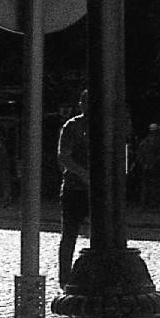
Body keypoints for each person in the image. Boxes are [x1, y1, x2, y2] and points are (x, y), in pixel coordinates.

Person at [56, 90, 90, 287]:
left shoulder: (107, 126)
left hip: (97, 191)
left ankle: (97, 275)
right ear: (81, 105)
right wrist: (82, 173)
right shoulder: (73, 126)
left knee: (103, 236)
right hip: (74, 189)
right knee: (69, 235)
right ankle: (65, 279)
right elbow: (64, 156)